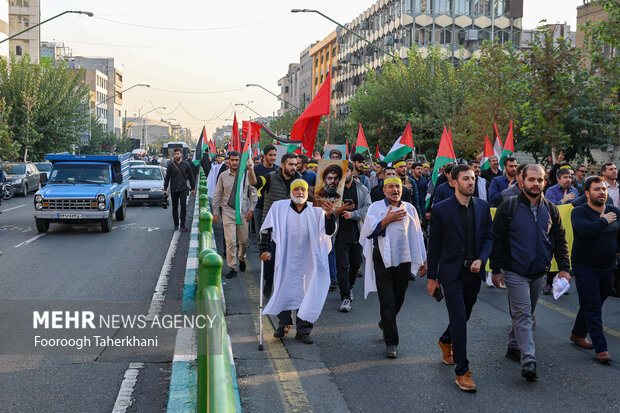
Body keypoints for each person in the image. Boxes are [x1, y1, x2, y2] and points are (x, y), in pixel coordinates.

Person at [490, 165, 571, 381]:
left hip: (539, 271)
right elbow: (497, 240)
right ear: (521, 180)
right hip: (514, 270)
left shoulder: (552, 209)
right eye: (531, 179)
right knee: (524, 314)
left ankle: (514, 345)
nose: (536, 183)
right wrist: (495, 270)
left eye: (540, 180)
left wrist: (564, 268)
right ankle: (529, 360)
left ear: (545, 182)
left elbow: (560, 241)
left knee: (524, 313)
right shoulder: (508, 207)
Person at [427, 165, 493, 392]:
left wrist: (482, 259)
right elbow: (434, 245)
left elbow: (489, 238)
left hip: (473, 272)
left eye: (473, 178)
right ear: (454, 182)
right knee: (458, 318)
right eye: (466, 179)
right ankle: (462, 370)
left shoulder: (483, 208)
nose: (470, 182)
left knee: (463, 316)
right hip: (450, 274)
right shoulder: (441, 209)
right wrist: (432, 277)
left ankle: (446, 339)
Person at [260, 179, 336, 344]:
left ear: (307, 192)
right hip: (285, 257)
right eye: (296, 189)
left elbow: (328, 232)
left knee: (307, 291)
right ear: (291, 192)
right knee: (284, 288)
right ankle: (284, 323)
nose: (299, 192)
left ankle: (304, 330)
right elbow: (267, 229)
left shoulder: (317, 211)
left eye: (303, 189)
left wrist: (330, 217)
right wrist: (264, 250)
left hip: (309, 260)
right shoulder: (279, 207)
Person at [360, 177, 427, 358]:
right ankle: (391, 342)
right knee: (387, 299)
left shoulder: (410, 208)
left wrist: (424, 259)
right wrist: (387, 219)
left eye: (397, 186)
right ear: (384, 190)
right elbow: (368, 232)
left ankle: (385, 321)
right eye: (390, 187)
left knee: (399, 297)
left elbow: (418, 235)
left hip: (404, 259)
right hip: (382, 258)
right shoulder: (376, 208)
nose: (394, 190)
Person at [570, 176, 619, 363]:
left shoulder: (614, 211)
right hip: (585, 267)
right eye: (597, 189)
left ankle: (577, 333)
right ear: (587, 193)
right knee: (593, 305)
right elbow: (584, 230)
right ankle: (601, 348)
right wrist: (604, 221)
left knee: (595, 302)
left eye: (604, 189)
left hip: (607, 267)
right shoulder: (579, 212)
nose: (602, 193)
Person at [248, 153, 302, 297]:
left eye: (296, 164)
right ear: (283, 165)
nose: (294, 167)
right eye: (291, 164)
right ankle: (269, 281)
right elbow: (254, 182)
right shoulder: (271, 177)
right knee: (270, 260)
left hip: (292, 227)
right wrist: (251, 169)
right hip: (271, 226)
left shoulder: (299, 180)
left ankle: (284, 290)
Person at [212, 151, 257, 279]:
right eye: (232, 160)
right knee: (230, 242)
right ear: (229, 161)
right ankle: (232, 267)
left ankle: (241, 257)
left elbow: (253, 193)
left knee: (244, 242)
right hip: (228, 213)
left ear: (240, 161)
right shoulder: (223, 176)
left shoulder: (247, 175)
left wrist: (252, 209)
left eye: (237, 160)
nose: (235, 162)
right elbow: (217, 195)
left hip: (243, 214)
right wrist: (215, 212)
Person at [335, 164, 371, 312]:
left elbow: (368, 207)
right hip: (339, 234)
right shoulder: (333, 189)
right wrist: (340, 210)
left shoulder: (362, 189)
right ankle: (345, 297)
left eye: (347, 170)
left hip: (357, 233)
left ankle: (348, 287)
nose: (344, 173)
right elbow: (326, 209)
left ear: (351, 171)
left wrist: (353, 214)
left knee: (355, 266)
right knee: (342, 267)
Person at [163, 148, 196, 231]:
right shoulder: (171, 165)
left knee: (183, 205)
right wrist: (165, 188)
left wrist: (193, 188)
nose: (176, 156)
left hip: (183, 188)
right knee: (175, 207)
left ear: (181, 154)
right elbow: (167, 178)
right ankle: (176, 225)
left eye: (177, 154)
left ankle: (183, 225)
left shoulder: (186, 164)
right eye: (175, 154)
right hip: (174, 188)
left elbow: (191, 176)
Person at [252, 144, 278, 233]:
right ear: (265, 156)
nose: (273, 157)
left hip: (273, 207)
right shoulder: (255, 169)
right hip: (259, 206)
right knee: (260, 234)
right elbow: (251, 187)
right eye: (270, 155)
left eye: (274, 155)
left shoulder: (278, 170)